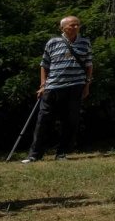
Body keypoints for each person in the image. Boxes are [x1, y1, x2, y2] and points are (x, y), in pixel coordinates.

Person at [23, 15, 93, 163]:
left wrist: (87, 85)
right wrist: (43, 85)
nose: (75, 27)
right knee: (43, 120)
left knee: (70, 121)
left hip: (75, 86)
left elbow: (89, 65)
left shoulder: (85, 42)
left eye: (77, 25)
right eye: (72, 25)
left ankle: (62, 153)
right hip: (53, 86)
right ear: (62, 28)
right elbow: (44, 64)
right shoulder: (53, 42)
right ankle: (34, 154)